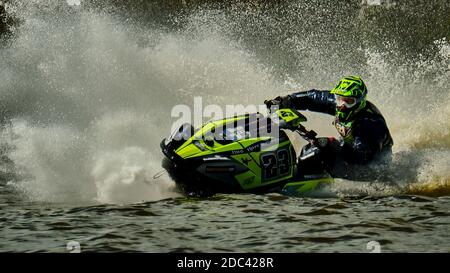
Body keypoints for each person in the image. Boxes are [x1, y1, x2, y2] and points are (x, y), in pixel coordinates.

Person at [265, 76, 394, 181]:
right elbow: (313, 98)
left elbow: (363, 158)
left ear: (360, 102)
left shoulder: (371, 124)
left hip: (372, 169)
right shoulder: (339, 103)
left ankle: (298, 182)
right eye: (339, 99)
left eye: (348, 101)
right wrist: (286, 101)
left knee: (318, 152)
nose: (342, 105)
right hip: (351, 149)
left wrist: (333, 146)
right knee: (312, 149)